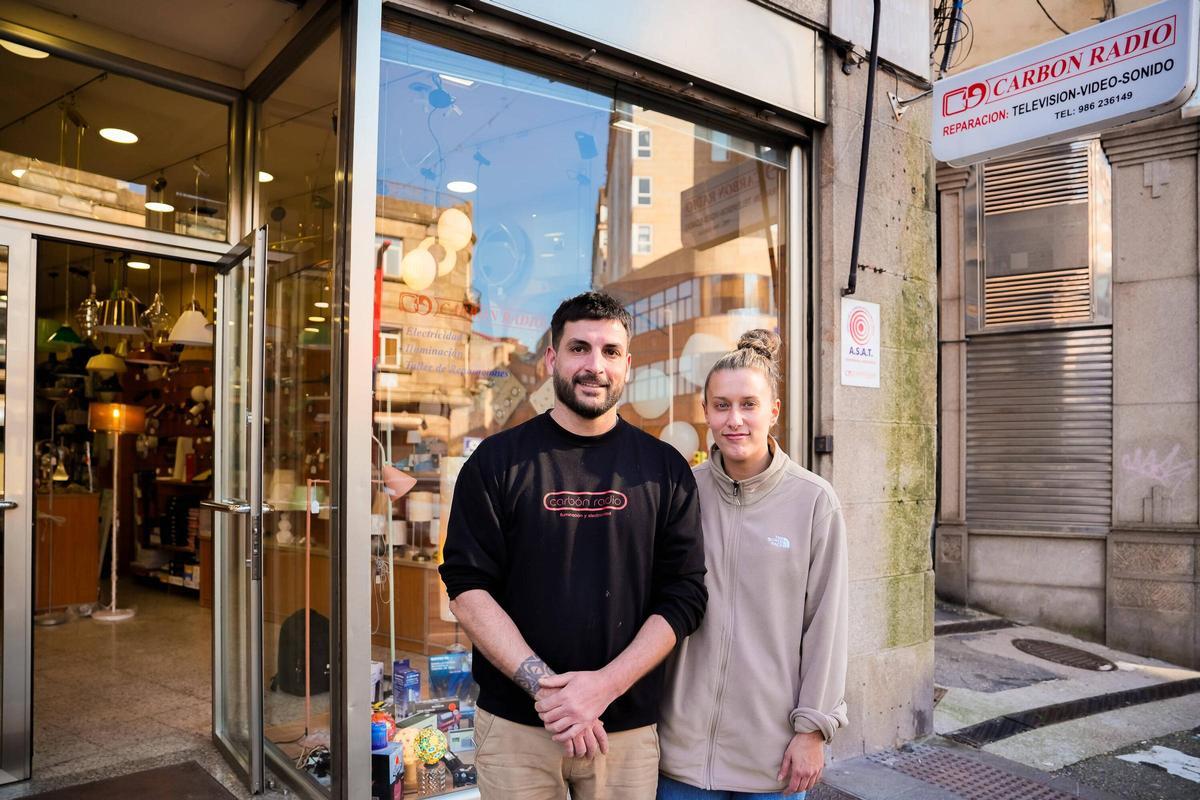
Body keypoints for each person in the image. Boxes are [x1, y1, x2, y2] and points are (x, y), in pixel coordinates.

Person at [439, 291, 708, 800]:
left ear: (627, 365)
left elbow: (685, 596)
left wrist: (603, 687)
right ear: (552, 359)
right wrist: (549, 692)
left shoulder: (665, 470)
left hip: (623, 733)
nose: (594, 366)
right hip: (518, 731)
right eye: (579, 348)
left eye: (609, 352)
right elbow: (467, 586)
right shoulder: (497, 463)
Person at [657, 329, 849, 800]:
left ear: (773, 411)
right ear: (705, 412)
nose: (734, 419)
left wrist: (813, 730)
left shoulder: (813, 502)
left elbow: (827, 624)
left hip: (773, 755)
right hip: (681, 754)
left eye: (748, 404)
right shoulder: (683, 493)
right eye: (721, 405)